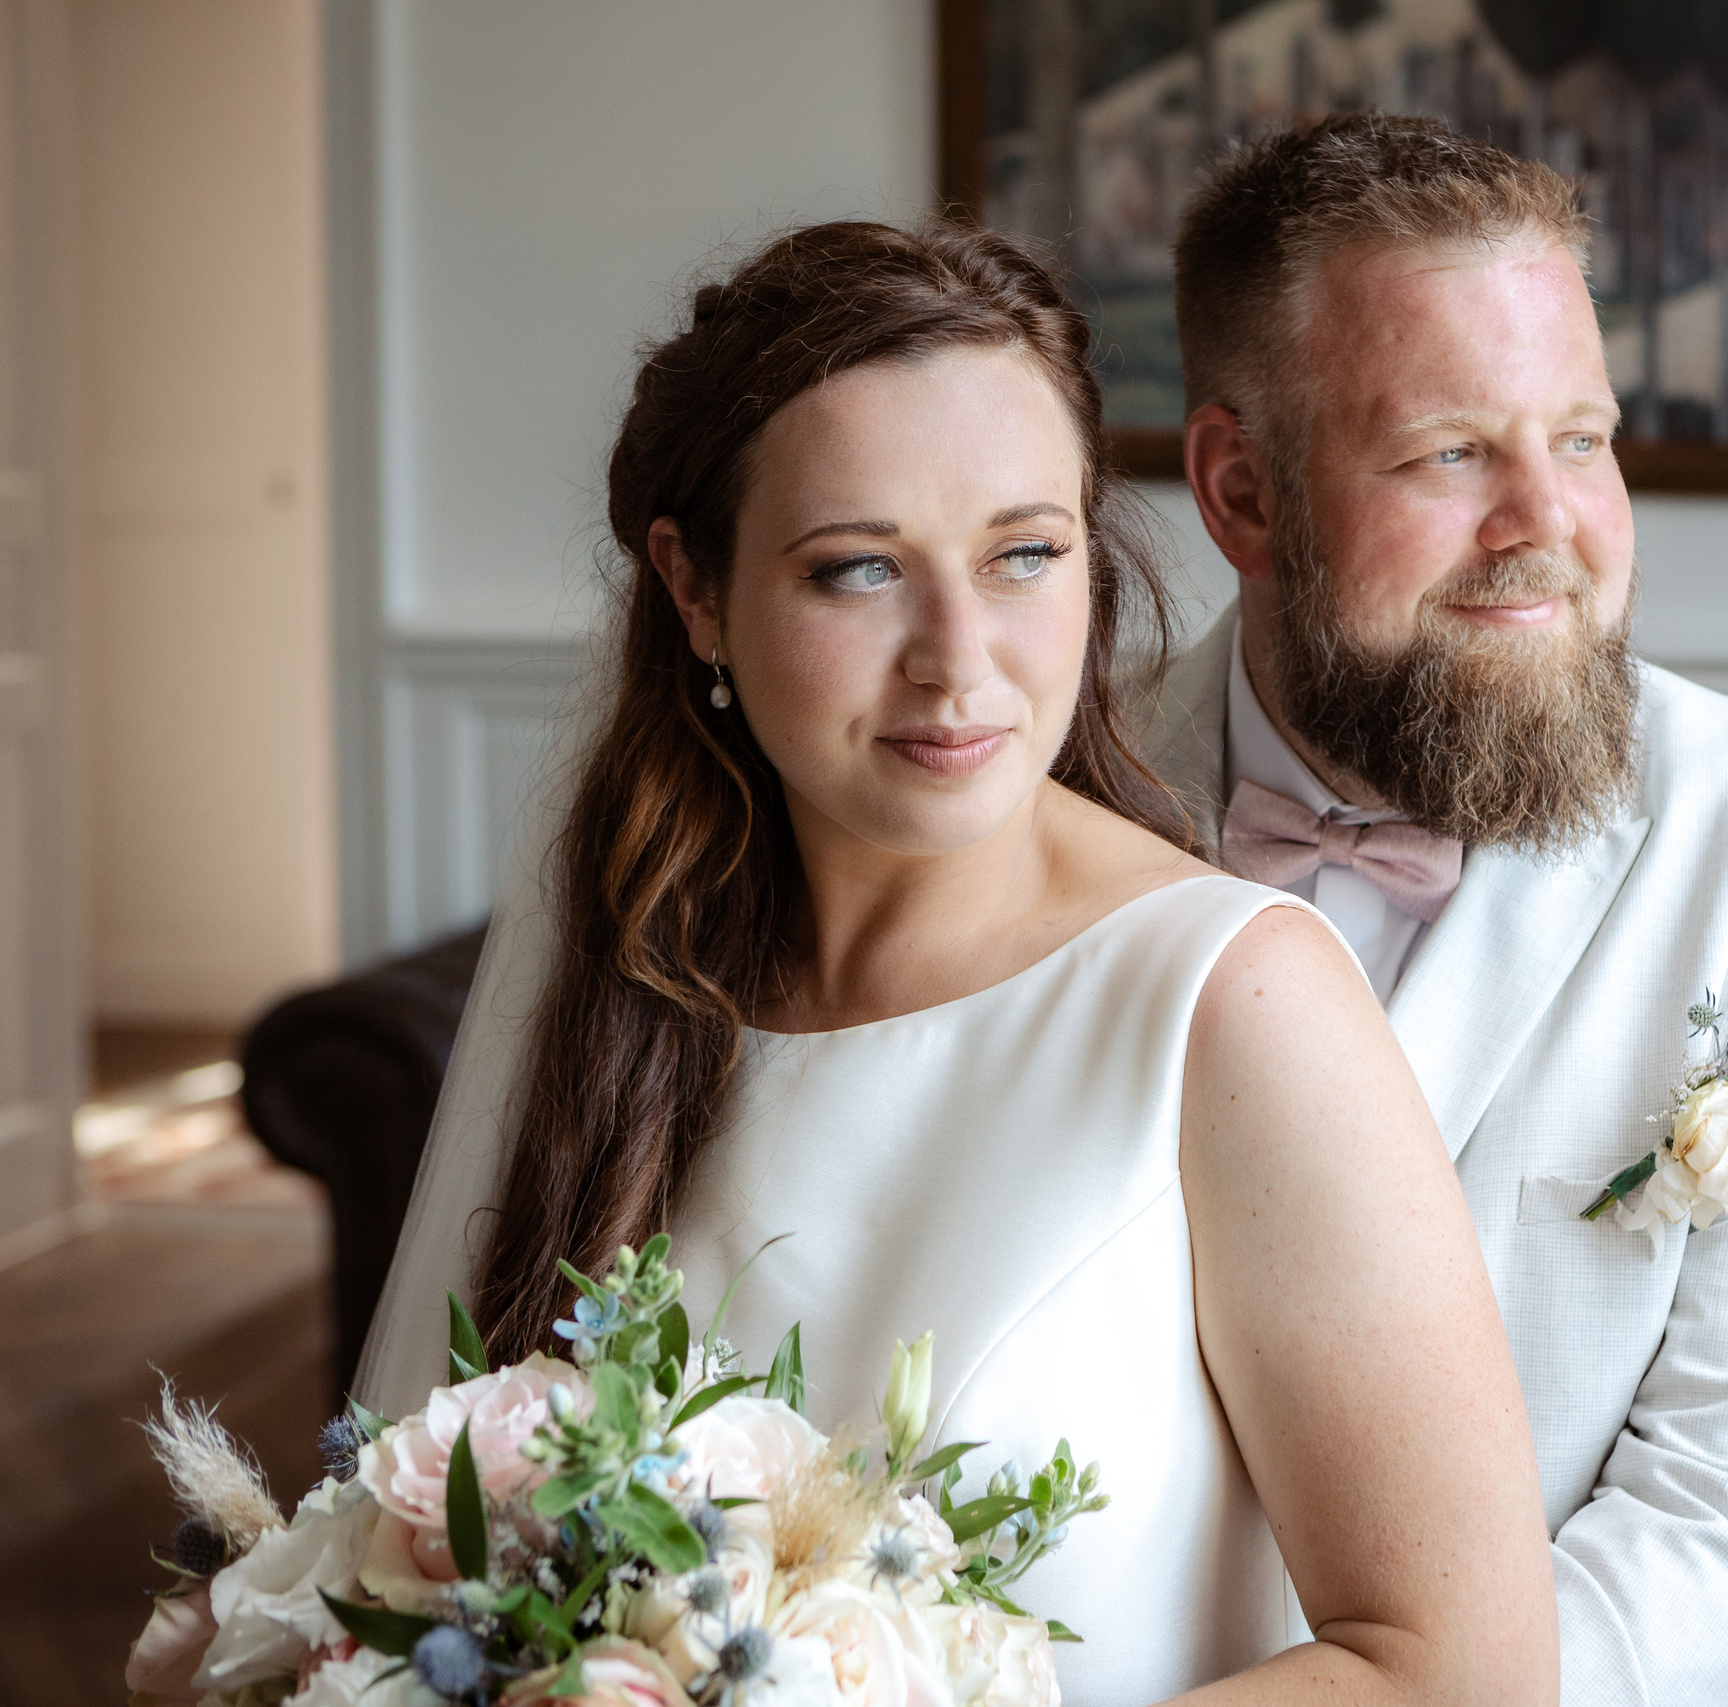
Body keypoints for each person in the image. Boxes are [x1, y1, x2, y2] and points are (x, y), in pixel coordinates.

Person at [355, 220, 1558, 1707]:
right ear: (695, 589)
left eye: (1024, 556)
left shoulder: (1235, 1005)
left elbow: (1464, 1672)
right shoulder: (615, 968)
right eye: (859, 570)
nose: (959, 659)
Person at [1143, 115, 1728, 1707]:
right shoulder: (1054, 814)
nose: (1550, 528)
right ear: (1240, 491)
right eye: (1452, 452)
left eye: (1581, 440)